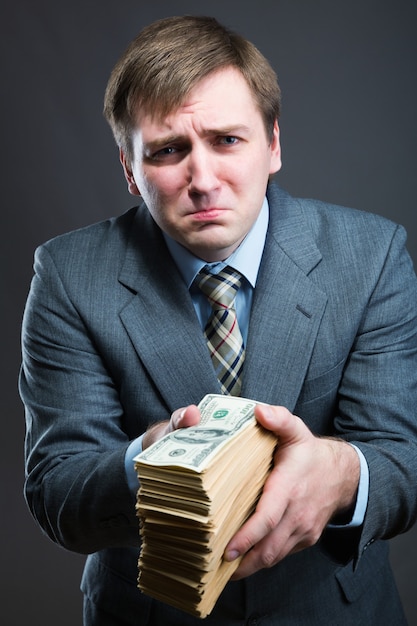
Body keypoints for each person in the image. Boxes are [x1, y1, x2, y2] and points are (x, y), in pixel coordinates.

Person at [19, 14, 417, 626]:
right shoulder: (70, 275)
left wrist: (341, 474)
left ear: (273, 145)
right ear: (130, 171)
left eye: (227, 140)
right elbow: (58, 492)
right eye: (169, 151)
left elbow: (403, 461)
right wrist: (144, 466)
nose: (203, 181)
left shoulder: (372, 257)